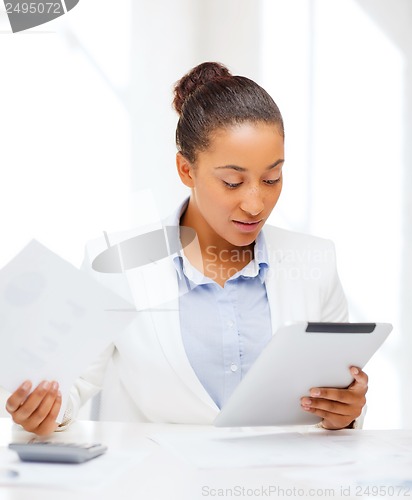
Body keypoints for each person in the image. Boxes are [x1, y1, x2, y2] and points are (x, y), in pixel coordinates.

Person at [5, 62, 368, 436]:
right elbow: (70, 387)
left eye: (272, 178)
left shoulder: (316, 262)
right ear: (186, 170)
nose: (256, 203)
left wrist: (347, 410)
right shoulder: (115, 262)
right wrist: (44, 410)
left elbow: (339, 394)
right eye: (232, 182)